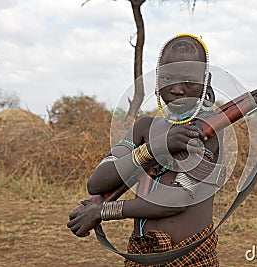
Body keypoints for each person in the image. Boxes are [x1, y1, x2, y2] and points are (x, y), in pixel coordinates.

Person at [67, 33, 225, 266]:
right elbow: (97, 183)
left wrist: (103, 211)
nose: (177, 89)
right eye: (168, 78)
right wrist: (157, 147)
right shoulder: (144, 128)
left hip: (191, 257)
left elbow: (177, 200)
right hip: (141, 254)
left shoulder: (210, 131)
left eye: (189, 81)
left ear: (206, 81)